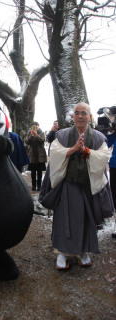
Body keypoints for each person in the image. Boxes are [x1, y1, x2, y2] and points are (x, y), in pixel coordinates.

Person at [39, 102, 114, 269]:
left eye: (84, 113)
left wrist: (87, 152)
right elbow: (55, 154)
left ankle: (84, 251)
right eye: (77, 113)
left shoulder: (98, 137)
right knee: (64, 219)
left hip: (87, 186)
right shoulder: (62, 135)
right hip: (67, 186)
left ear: (90, 117)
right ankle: (62, 253)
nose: (80, 116)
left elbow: (103, 156)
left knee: (86, 220)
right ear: (73, 116)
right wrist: (72, 149)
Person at [25, 121, 47, 191]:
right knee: (33, 171)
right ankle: (34, 186)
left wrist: (36, 135)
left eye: (36, 125)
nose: (35, 127)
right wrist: (31, 135)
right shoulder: (29, 133)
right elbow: (27, 142)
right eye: (34, 126)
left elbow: (42, 140)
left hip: (40, 155)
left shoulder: (42, 133)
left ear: (38, 126)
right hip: (32, 155)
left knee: (39, 171)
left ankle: (39, 186)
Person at [105, 108, 116, 238]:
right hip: (114, 166)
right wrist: (109, 128)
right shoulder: (114, 133)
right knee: (115, 195)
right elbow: (106, 142)